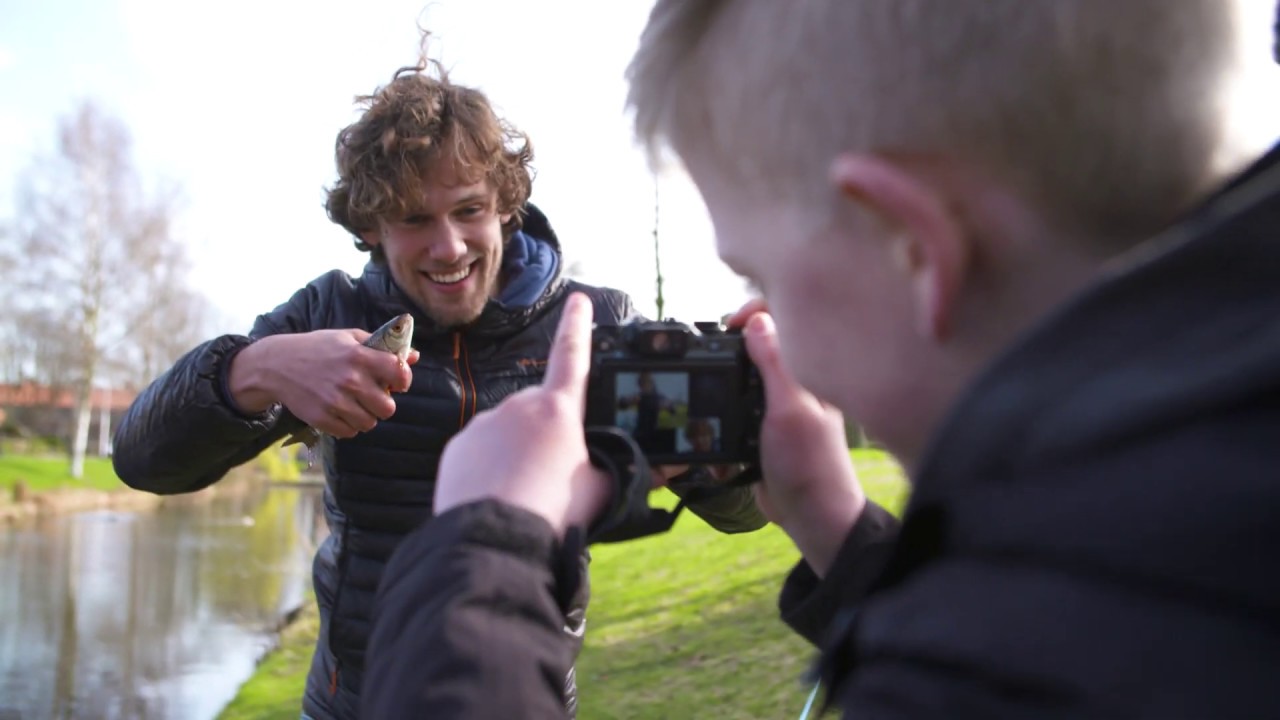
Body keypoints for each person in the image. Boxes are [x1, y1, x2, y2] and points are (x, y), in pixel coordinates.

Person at [359, 0, 1280, 717]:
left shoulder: (994, 671)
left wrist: (483, 545)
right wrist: (843, 534)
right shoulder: (1182, 539)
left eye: (761, 272)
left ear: (913, 247)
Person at [111, 40, 765, 720]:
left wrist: (724, 452)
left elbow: (742, 516)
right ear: (370, 227)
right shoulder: (327, 314)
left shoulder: (595, 321)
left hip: (523, 698)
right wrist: (257, 366)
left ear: (506, 206)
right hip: (354, 703)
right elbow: (140, 461)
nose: (448, 247)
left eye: (468, 210)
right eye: (414, 219)